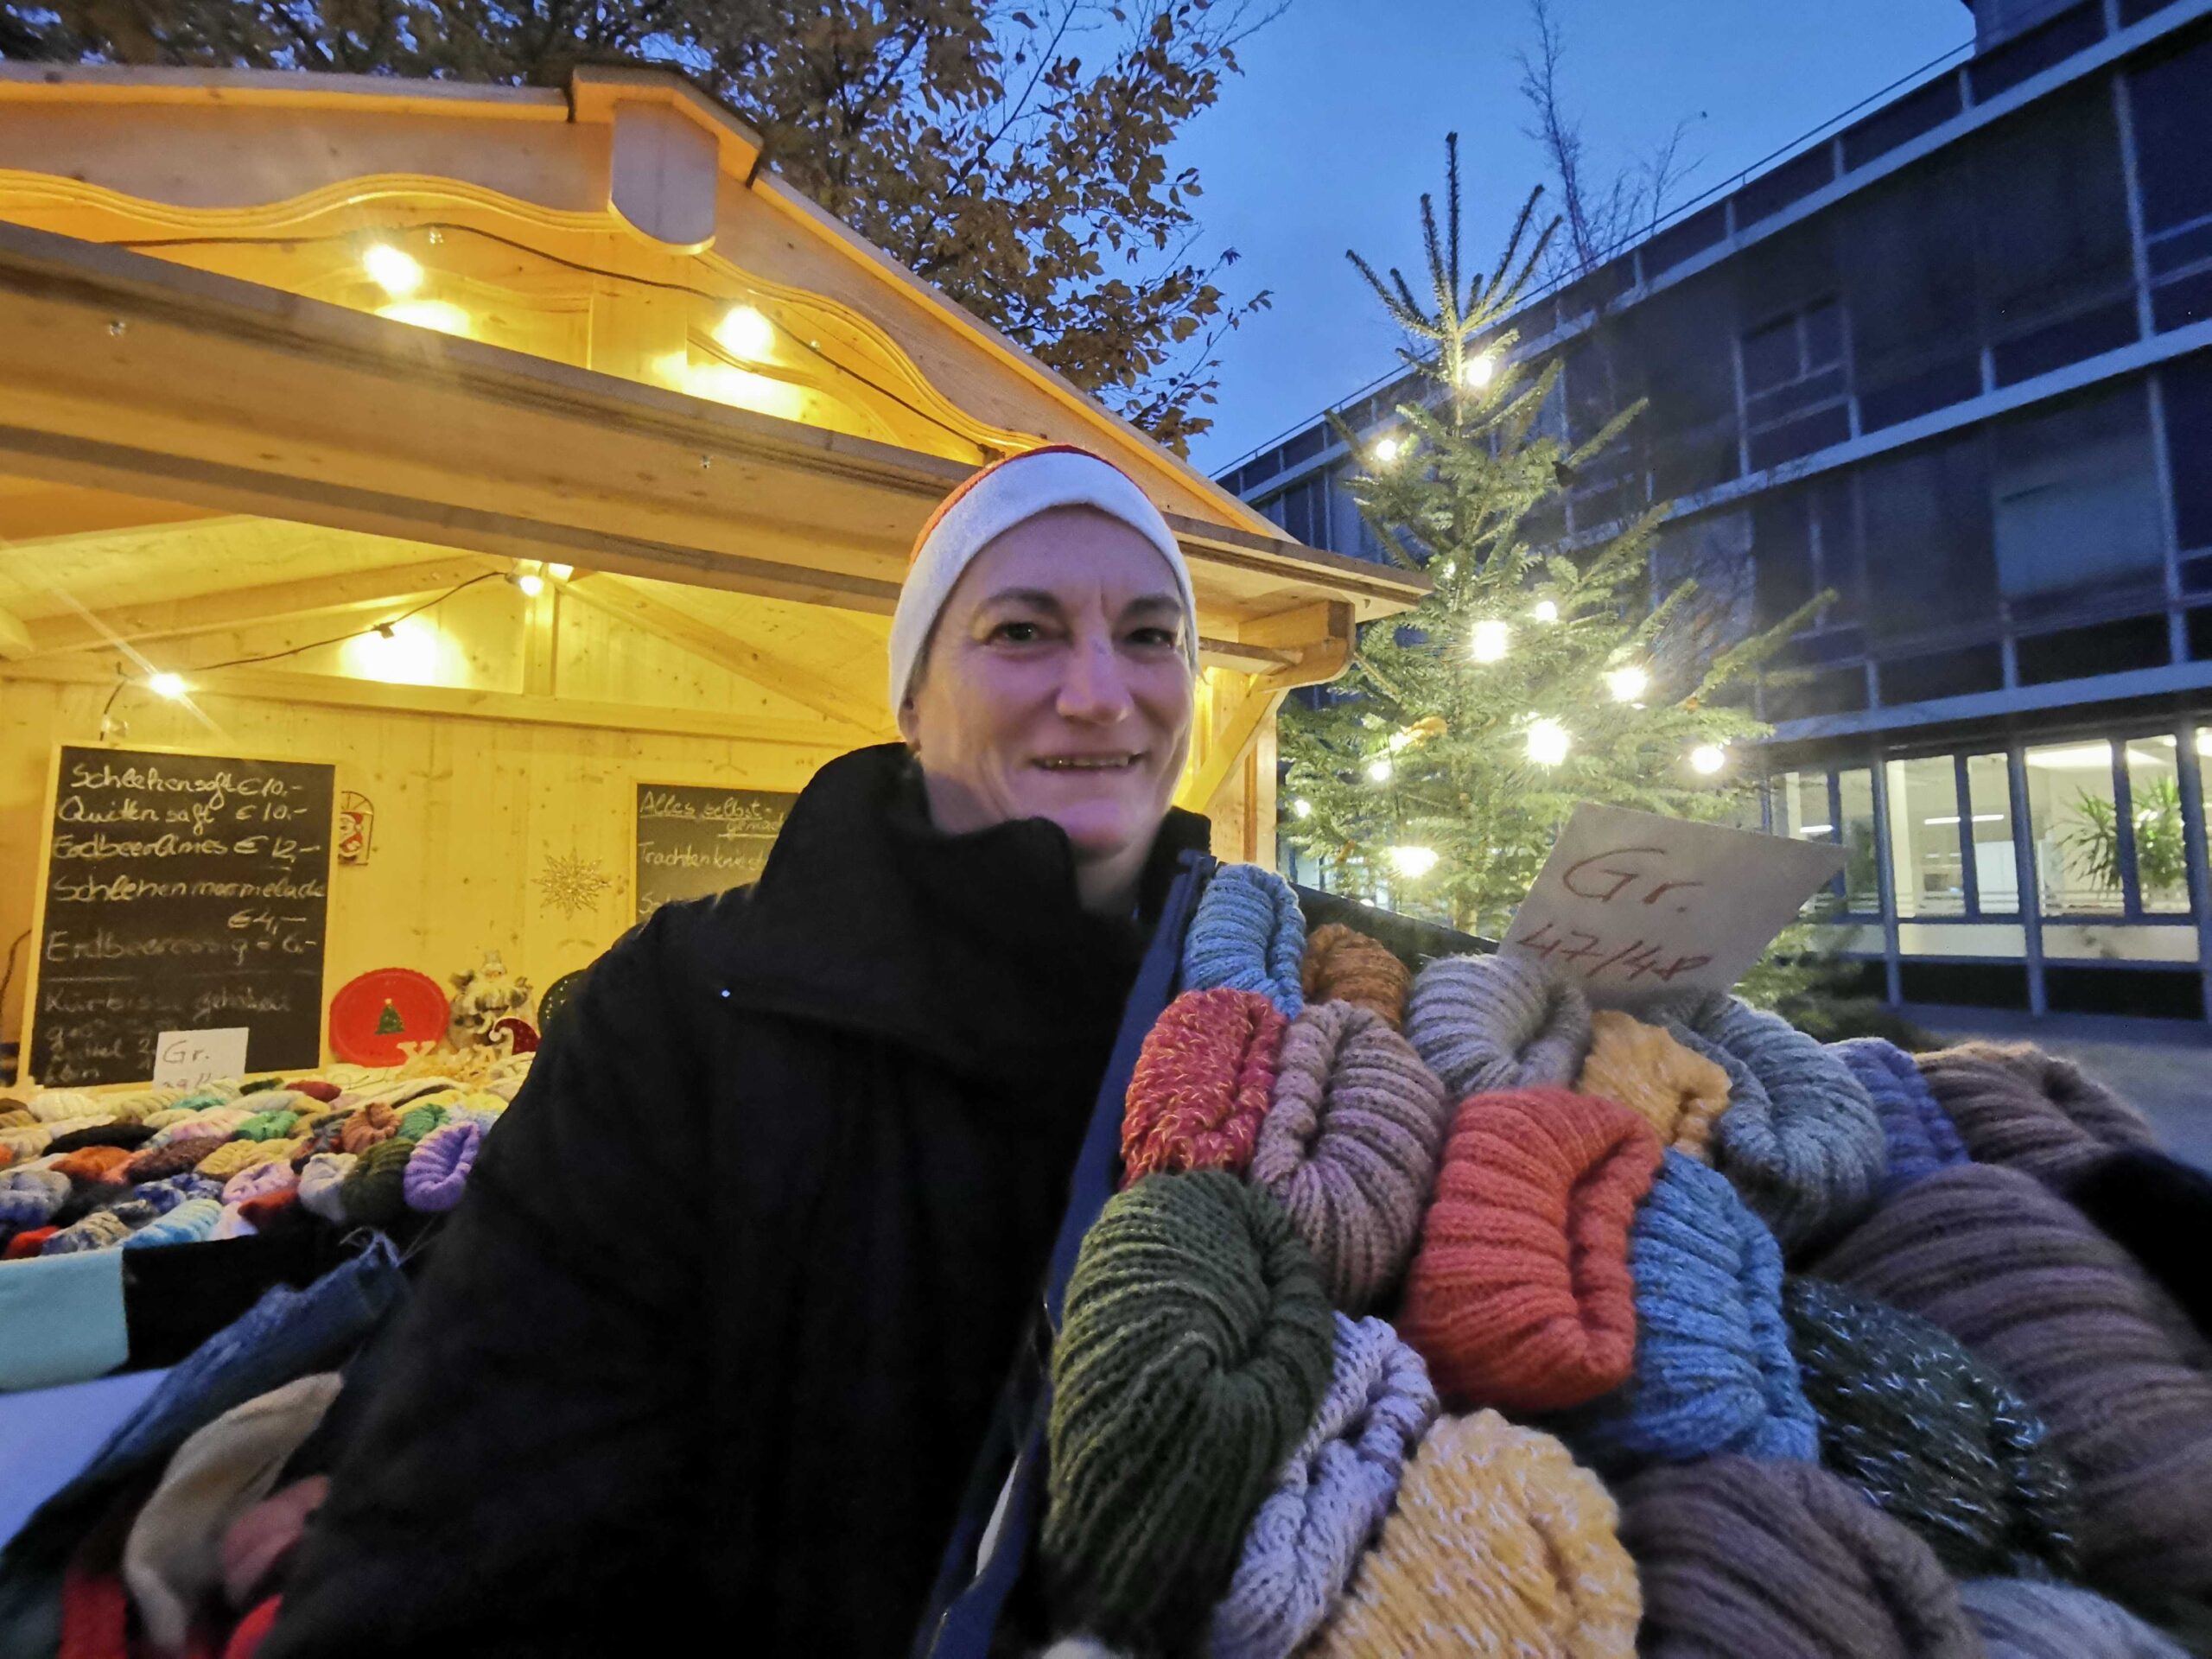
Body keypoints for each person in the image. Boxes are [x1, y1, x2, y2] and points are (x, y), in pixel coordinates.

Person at [261, 446, 1213, 1656]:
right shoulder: (685, 1009)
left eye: (1150, 635)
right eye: (1021, 632)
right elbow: (466, 1534)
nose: (1100, 692)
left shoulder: (1260, 1015)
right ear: (912, 703)